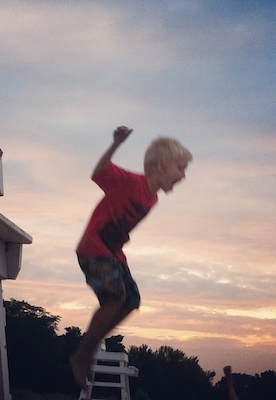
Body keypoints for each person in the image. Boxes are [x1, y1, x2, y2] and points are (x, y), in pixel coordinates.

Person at [70, 126, 193, 389]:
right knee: (115, 297)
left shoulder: (152, 198)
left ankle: (90, 345)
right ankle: (82, 354)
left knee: (131, 300)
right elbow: (99, 173)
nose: (183, 176)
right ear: (160, 166)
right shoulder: (131, 182)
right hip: (93, 248)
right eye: (180, 169)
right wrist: (116, 143)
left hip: (113, 253)